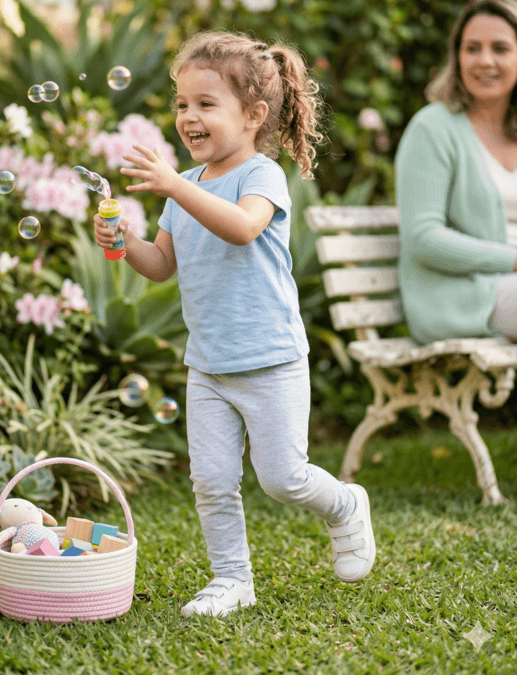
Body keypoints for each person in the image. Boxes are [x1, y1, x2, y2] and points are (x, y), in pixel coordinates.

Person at [93, 31, 376, 618]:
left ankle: (346, 505)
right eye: (180, 105)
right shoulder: (186, 190)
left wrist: (172, 185)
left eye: (204, 104)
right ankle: (232, 579)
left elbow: (243, 228)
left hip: (270, 360)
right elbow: (163, 266)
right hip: (209, 364)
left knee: (283, 478)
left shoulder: (262, 176)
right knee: (212, 480)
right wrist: (123, 244)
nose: (187, 117)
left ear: (253, 116)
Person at [395, 0, 517, 344]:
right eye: (472, 48)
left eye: (500, 48)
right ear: (457, 56)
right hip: (462, 297)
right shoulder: (433, 128)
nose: (485, 61)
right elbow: (423, 238)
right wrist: (512, 260)